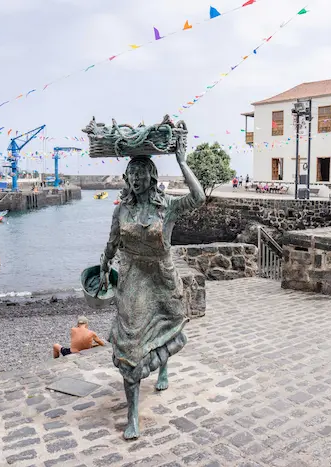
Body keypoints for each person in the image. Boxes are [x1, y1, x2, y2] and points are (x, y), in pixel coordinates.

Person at [99, 143, 204, 440]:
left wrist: (182, 162)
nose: (136, 178)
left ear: (152, 176)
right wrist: (105, 266)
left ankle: (163, 369)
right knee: (131, 340)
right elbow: (112, 242)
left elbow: (198, 197)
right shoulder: (121, 209)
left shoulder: (167, 206)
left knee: (163, 325)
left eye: (142, 173)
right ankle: (132, 414)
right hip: (132, 274)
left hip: (160, 274)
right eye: (131, 173)